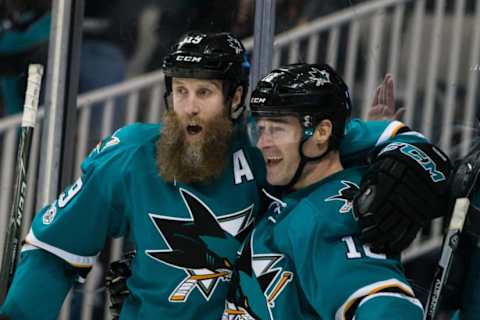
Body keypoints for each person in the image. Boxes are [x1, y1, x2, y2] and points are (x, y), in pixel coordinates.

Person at [0, 32, 448, 319]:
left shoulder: (270, 143)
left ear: (236, 98)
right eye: (180, 91)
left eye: (205, 93)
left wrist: (402, 158)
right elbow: (54, 253)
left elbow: (391, 141)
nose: (189, 106)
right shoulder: (132, 155)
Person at [223, 63, 450, 319]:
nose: (263, 143)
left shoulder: (323, 216)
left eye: (278, 129)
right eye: (261, 129)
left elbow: (386, 306)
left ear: (321, 132)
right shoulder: (302, 194)